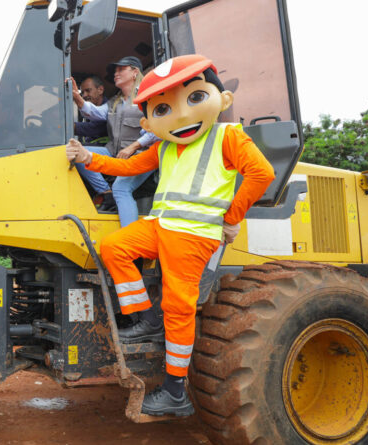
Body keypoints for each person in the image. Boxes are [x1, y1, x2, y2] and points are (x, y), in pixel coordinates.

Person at [66, 54, 275, 416]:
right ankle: (146, 320)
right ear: (149, 120)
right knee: (114, 246)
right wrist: (88, 157)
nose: (179, 115)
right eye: (163, 108)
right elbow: (128, 167)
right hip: (161, 226)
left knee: (178, 307)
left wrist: (232, 217)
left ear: (221, 99)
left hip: (194, 234)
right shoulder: (166, 146)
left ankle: (175, 391)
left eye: (194, 98)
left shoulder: (227, 136)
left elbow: (262, 174)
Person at [72, 56, 160, 220]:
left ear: (134, 72)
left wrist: (133, 146)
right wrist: (77, 97)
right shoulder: (116, 101)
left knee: (122, 189)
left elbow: (160, 129)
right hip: (114, 152)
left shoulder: (149, 96)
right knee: (78, 154)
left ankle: (130, 238)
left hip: (141, 155)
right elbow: (97, 113)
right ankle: (106, 192)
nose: (116, 73)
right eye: (115, 70)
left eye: (121, 69)